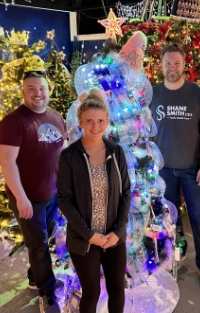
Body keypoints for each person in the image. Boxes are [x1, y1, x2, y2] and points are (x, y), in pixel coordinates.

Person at [149, 43, 200, 291]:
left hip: (192, 170)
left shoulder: (198, 94)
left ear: (184, 65)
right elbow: (143, 131)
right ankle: (169, 263)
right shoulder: (152, 94)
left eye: (176, 63)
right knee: (168, 221)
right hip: (163, 172)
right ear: (161, 65)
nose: (172, 68)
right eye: (168, 63)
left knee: (199, 220)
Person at [0, 70, 67, 313]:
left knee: (42, 240)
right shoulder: (14, 122)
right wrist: (21, 198)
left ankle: (35, 277)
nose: (38, 93)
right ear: (23, 91)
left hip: (52, 194)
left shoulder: (56, 117)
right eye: (31, 88)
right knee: (38, 246)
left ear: (49, 90)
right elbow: (7, 163)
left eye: (42, 88)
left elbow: (63, 151)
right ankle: (47, 294)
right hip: (29, 199)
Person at [57, 89, 131, 313]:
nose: (95, 126)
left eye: (100, 121)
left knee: (117, 288)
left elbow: (126, 192)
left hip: (113, 236)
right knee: (92, 292)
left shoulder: (116, 152)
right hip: (84, 239)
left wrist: (118, 231)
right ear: (80, 122)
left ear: (107, 122)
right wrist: (90, 235)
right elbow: (64, 200)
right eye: (89, 121)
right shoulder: (69, 157)